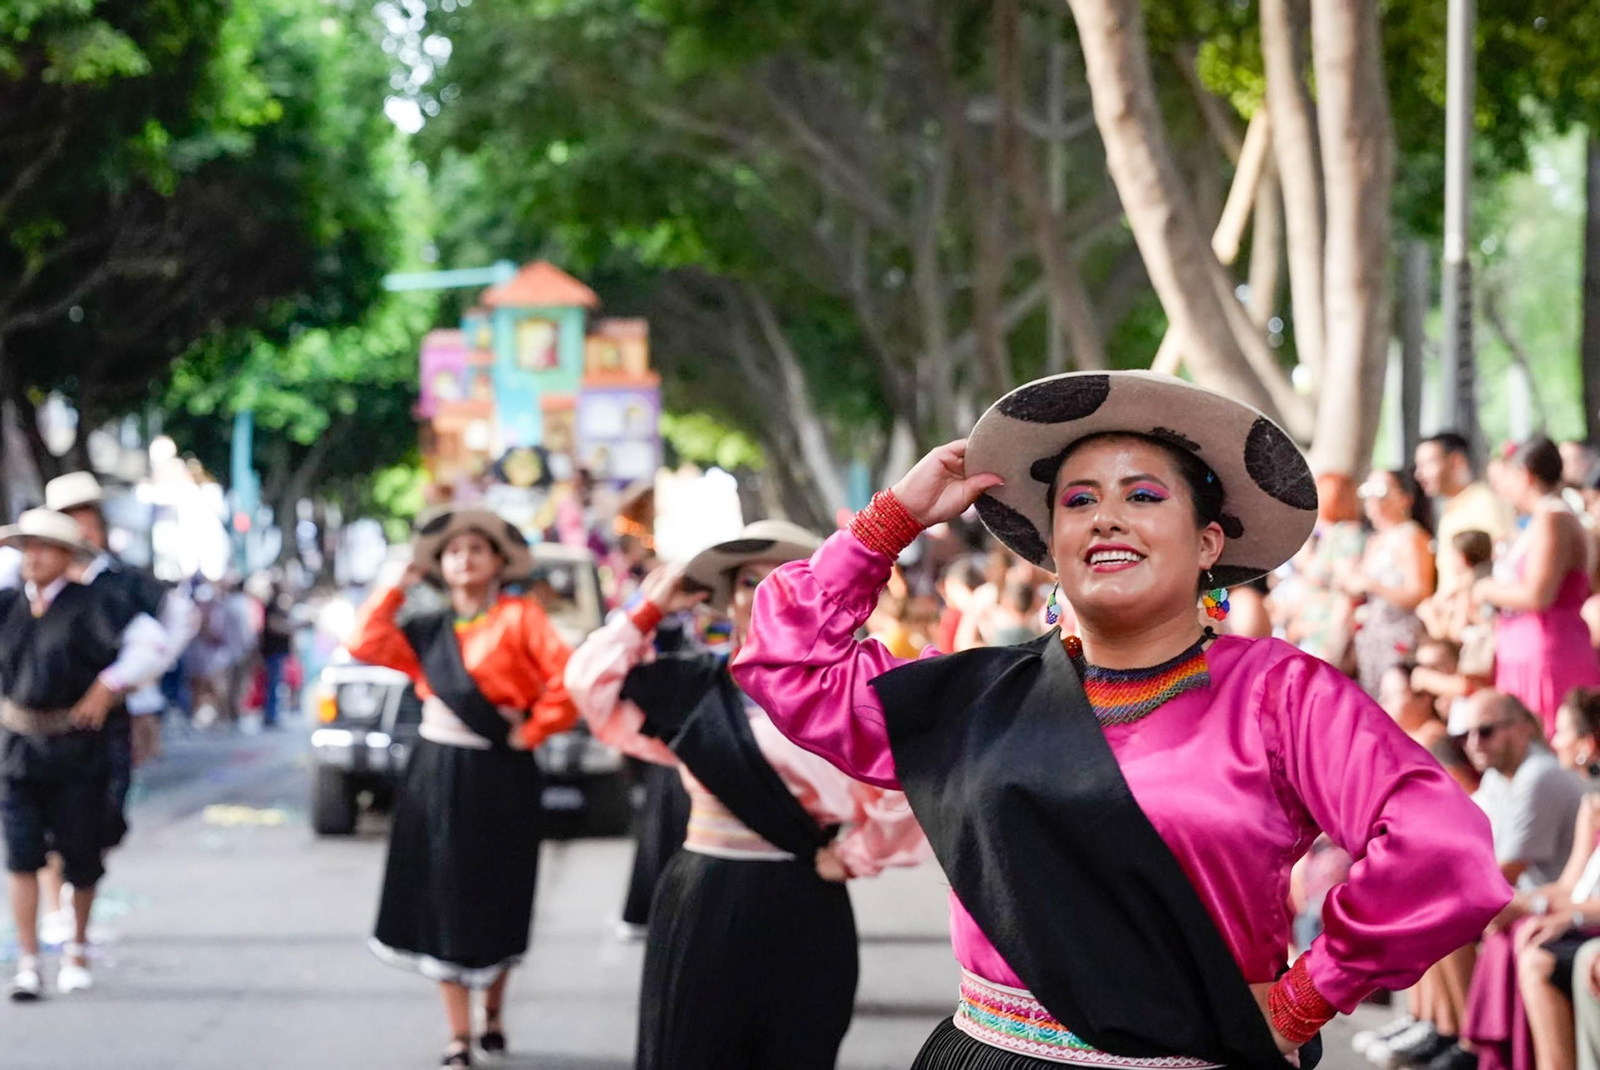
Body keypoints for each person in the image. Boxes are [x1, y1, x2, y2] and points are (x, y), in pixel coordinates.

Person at [733, 370, 1510, 1069]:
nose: (1107, 518)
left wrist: (1308, 995)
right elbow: (788, 665)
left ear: (1210, 542)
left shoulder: (1280, 694)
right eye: (1078, 501)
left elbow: (1443, 849)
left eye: (1143, 495)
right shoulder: (979, 697)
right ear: (1052, 546)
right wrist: (893, 520)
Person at [564, 520, 928, 1070]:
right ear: (723, 600)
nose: (762, 596)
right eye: (746, 583)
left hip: (805, 897)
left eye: (783, 581)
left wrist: (859, 853)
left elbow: (918, 782)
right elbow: (590, 687)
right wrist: (647, 609)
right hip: (703, 895)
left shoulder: (851, 698)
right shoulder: (689, 689)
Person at [347, 506, 577, 1068]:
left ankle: (493, 1013)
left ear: (499, 562)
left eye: (477, 549)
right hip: (437, 772)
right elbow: (364, 642)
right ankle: (459, 1035)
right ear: (440, 567)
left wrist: (536, 728)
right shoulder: (428, 629)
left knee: (498, 888)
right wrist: (396, 585)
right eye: (453, 551)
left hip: (501, 772)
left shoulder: (521, 617)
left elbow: (570, 677)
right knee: (443, 889)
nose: (465, 558)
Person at [0, 510, 163, 1001]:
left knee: (80, 853)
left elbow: (152, 645)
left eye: (45, 547)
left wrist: (108, 686)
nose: (33, 557)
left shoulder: (95, 603)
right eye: (27, 546)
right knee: (22, 856)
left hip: (77, 748)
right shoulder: (8, 605)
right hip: (17, 749)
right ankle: (29, 961)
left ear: (68, 556)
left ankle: (76, 948)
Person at [1461, 690, 1598, 1070]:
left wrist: (1548, 911)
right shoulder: (1591, 803)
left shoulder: (1540, 774)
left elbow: (1507, 870)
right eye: (1468, 734)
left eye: (1485, 731)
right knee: (1511, 929)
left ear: (1587, 744)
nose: (1553, 740)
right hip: (1580, 914)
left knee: (1531, 949)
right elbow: (1572, 884)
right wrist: (1532, 906)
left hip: (1588, 924)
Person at [1476, 437, 1600, 737]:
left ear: (1525, 475)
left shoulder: (1553, 518)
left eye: (1506, 476)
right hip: (1524, 649)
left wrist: (1484, 588)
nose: (1500, 488)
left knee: (1550, 739)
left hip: (1547, 652)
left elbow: (1538, 594)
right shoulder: (1536, 521)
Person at [1347, 470, 1435, 696]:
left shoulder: (1411, 537)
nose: (1374, 499)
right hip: (1371, 639)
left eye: (1382, 491)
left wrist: (1371, 584)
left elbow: (1420, 592)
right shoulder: (1374, 540)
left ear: (1405, 497)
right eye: (1368, 491)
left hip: (1399, 639)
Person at [1416, 431, 1515, 593]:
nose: (1419, 474)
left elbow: (1492, 563)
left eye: (1427, 464)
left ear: (1456, 461)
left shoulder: (1482, 503)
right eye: (1418, 466)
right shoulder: (1450, 509)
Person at [1288, 472, 1366, 668]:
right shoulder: (1326, 534)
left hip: (1326, 631)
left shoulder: (1346, 534)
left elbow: (1346, 585)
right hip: (1307, 628)